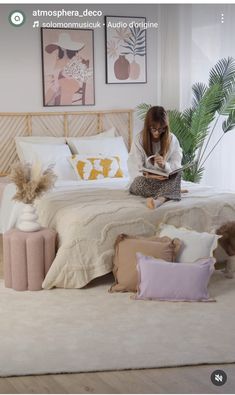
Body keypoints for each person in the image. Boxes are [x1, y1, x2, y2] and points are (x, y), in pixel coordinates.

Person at [128, 106, 183, 209]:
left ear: (165, 127)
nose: (157, 132)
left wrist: (164, 165)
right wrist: (150, 176)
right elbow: (134, 168)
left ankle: (159, 200)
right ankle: (172, 191)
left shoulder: (172, 139)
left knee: (178, 173)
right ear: (148, 126)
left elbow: (177, 164)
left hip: (164, 180)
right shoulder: (138, 140)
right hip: (145, 181)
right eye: (154, 129)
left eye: (161, 129)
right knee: (137, 183)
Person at [44, 32, 89, 105]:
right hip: (59, 83)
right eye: (61, 45)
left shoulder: (75, 59)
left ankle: (59, 105)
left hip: (72, 82)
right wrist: (58, 77)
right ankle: (47, 105)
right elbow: (56, 73)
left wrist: (63, 74)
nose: (63, 47)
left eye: (64, 45)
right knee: (55, 88)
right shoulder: (59, 60)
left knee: (60, 85)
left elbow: (77, 75)